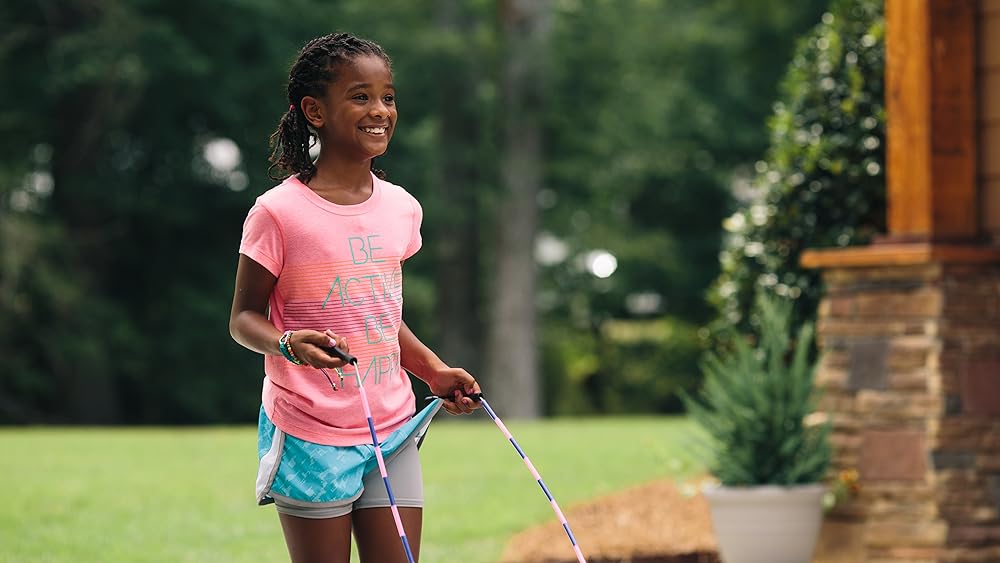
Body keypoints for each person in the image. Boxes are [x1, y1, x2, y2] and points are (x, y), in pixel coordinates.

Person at [229, 32, 481, 563]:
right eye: (360, 96)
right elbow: (243, 318)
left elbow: (382, 317)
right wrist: (288, 343)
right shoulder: (278, 213)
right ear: (314, 110)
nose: (380, 111)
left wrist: (433, 372)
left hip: (393, 427)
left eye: (387, 97)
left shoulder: (401, 208)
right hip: (310, 430)